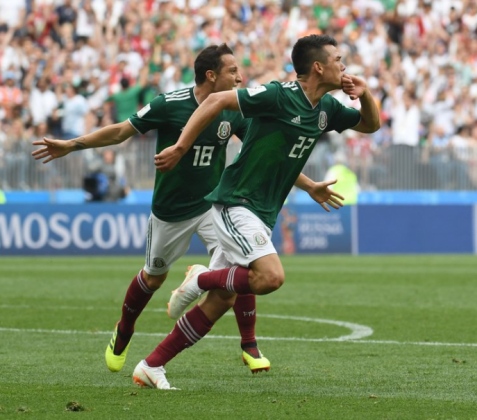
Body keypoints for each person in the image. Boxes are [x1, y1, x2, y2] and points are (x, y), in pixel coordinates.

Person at [31, 44, 337, 377]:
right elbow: (121, 131)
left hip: (213, 204)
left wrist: (309, 186)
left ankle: (249, 344)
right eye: (233, 71)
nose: (240, 76)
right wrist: (72, 144)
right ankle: (125, 329)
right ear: (211, 75)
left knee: (245, 263)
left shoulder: (234, 110)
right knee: (154, 277)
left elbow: (266, 152)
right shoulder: (170, 104)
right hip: (170, 210)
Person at [138, 34, 381, 389]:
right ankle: (200, 278)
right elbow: (218, 101)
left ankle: (152, 364)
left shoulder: (326, 108)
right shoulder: (278, 95)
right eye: (338, 59)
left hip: (262, 211)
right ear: (318, 66)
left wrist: (367, 94)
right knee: (270, 277)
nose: (344, 66)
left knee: (222, 300)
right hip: (236, 202)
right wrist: (181, 146)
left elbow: (370, 125)